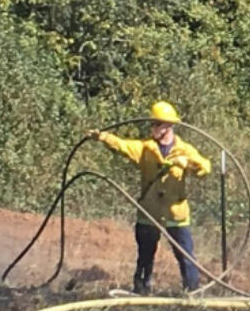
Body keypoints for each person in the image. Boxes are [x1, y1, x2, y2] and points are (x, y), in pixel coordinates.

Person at [87, 101, 212, 294]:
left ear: (168, 126)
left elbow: (205, 167)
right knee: (145, 256)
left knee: (186, 256)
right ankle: (141, 291)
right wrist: (104, 137)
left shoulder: (184, 149)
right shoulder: (145, 148)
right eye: (152, 124)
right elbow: (123, 145)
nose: (152, 127)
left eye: (156, 124)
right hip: (149, 211)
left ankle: (192, 293)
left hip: (175, 214)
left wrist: (187, 162)